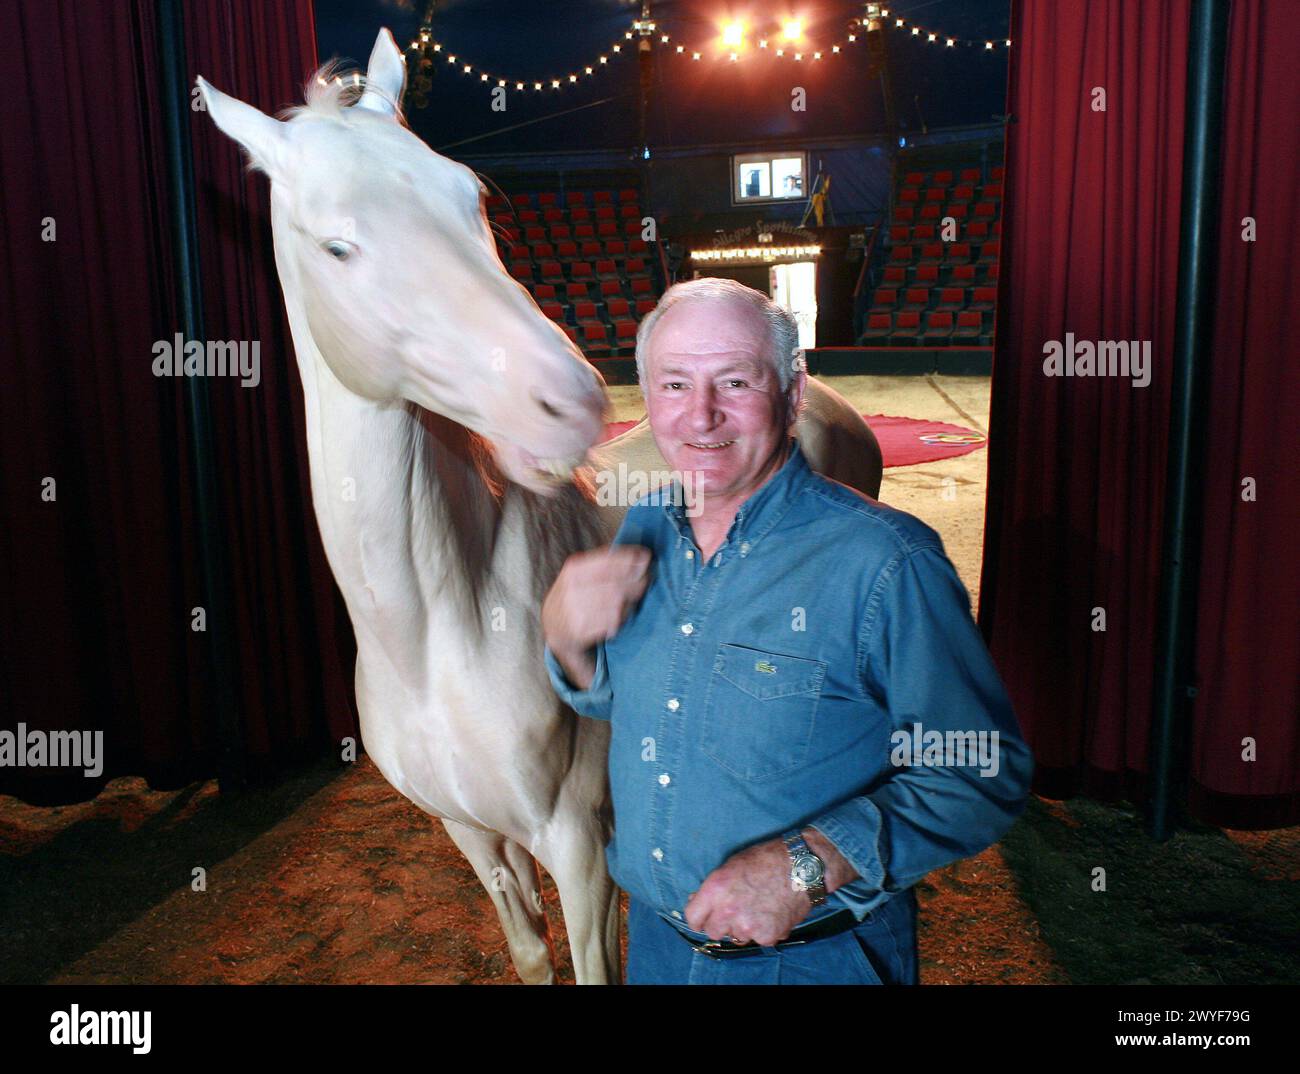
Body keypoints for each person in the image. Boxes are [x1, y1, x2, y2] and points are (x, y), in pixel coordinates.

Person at [541, 277, 1033, 985]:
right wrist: (568, 644)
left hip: (810, 962)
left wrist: (809, 863)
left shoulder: (887, 563)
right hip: (654, 946)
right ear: (645, 400)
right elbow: (651, 703)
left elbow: (982, 768)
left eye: (734, 381)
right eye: (674, 385)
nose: (701, 417)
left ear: (794, 393)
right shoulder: (645, 525)